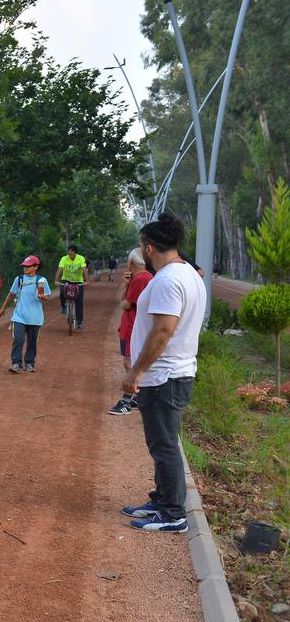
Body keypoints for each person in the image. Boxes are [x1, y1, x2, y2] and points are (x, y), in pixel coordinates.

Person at [120, 213, 206, 533]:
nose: (142, 252)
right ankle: (161, 499)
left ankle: (173, 513)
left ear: (150, 248)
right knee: (161, 442)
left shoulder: (169, 280)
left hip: (165, 375)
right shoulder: (186, 273)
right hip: (173, 372)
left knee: (164, 444)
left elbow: (162, 331)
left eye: (142, 246)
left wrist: (136, 372)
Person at [108, 248, 152, 415]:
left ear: (131, 262)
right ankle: (135, 398)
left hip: (133, 327)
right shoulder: (140, 278)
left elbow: (125, 304)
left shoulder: (141, 278)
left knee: (130, 364)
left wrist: (127, 289)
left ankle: (129, 399)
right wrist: (127, 285)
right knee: (130, 363)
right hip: (130, 326)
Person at [0, 255, 50, 373]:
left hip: (35, 317)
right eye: (24, 266)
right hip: (19, 316)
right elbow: (11, 295)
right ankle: (16, 363)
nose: (24, 268)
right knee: (18, 339)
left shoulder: (41, 280)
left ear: (35, 267)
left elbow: (47, 296)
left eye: (28, 266)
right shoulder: (19, 279)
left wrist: (44, 297)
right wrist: (3, 308)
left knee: (32, 342)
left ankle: (29, 363)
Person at [56, 244, 88, 331]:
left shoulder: (80, 258)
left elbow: (84, 270)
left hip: (78, 281)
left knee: (79, 301)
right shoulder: (64, 258)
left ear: (75, 253)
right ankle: (63, 306)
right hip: (66, 279)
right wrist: (56, 280)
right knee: (62, 292)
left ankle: (79, 322)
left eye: (72, 251)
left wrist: (86, 280)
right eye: (69, 251)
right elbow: (60, 269)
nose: (70, 253)